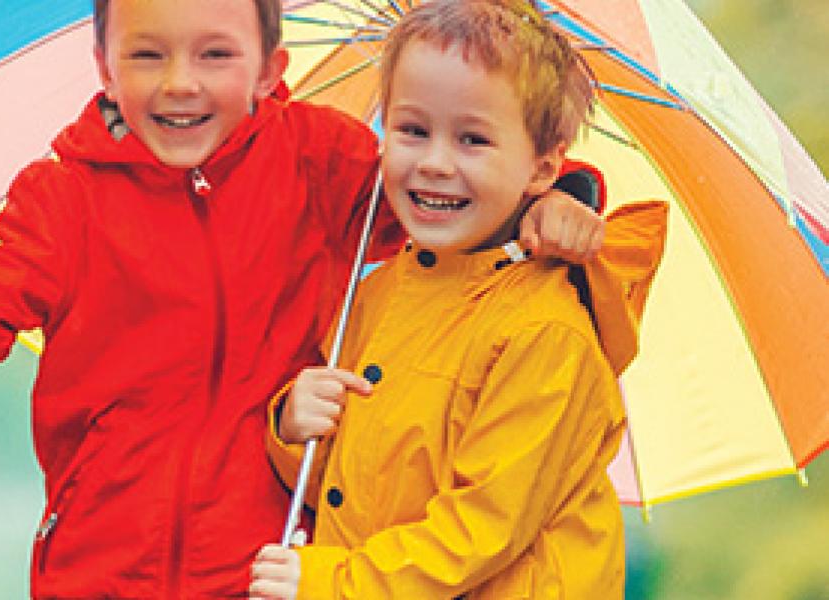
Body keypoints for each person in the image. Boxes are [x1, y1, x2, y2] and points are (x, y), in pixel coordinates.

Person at [0, 0, 626, 597]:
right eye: (147, 54)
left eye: (215, 54)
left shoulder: (317, 159)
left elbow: (446, 217)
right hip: (101, 561)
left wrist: (555, 205)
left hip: (260, 558)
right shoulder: (67, 198)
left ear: (267, 67)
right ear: (103, 63)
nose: (180, 82)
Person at [249, 0, 667, 598]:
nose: (434, 163)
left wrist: (332, 584)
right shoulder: (382, 292)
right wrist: (294, 429)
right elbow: (356, 492)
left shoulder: (545, 331)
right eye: (412, 130)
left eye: (473, 140)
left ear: (543, 167)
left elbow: (480, 529)